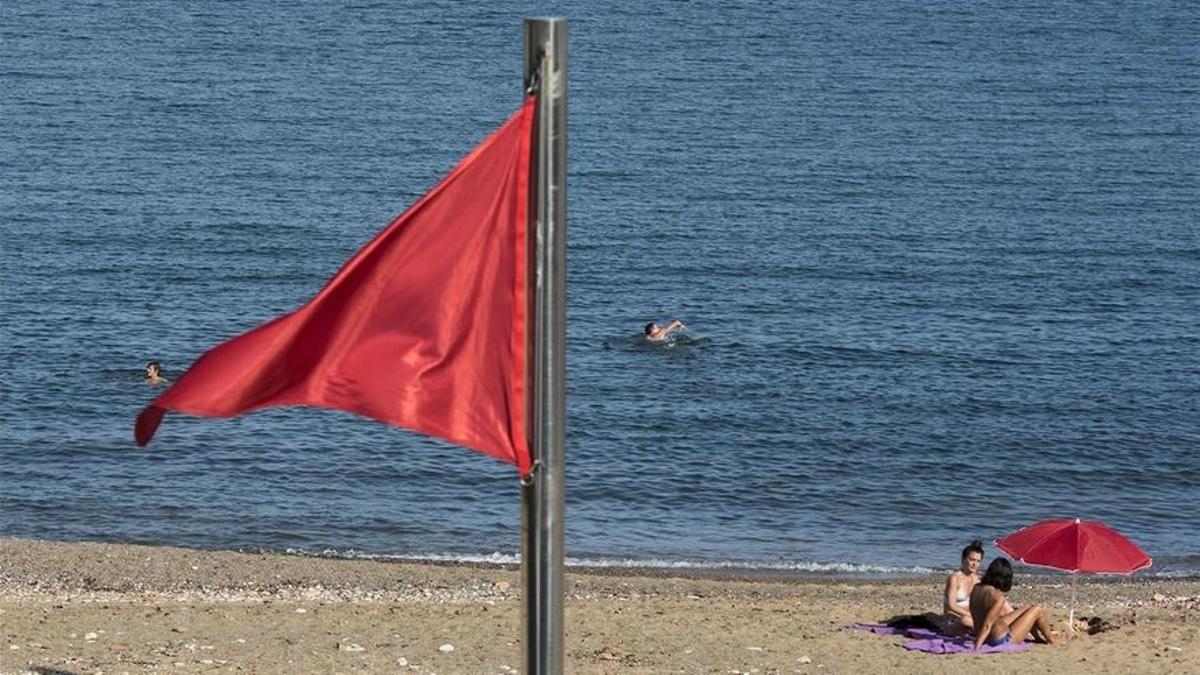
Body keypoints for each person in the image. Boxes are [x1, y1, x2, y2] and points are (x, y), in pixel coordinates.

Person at [971, 558, 1061, 649]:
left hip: (985, 636)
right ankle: (1051, 640)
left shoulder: (976, 588)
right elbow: (986, 625)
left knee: (1028, 608)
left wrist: (979, 640)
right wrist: (977, 647)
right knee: (1037, 609)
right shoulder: (997, 597)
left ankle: (1037, 638)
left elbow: (982, 618)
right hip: (1001, 640)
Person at [935, 539, 984, 635]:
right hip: (954, 621)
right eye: (972, 560)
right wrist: (971, 615)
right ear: (963, 559)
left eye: (978, 561)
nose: (974, 564)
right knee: (966, 621)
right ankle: (985, 632)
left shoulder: (978, 580)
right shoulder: (955, 578)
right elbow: (951, 605)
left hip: (973, 618)